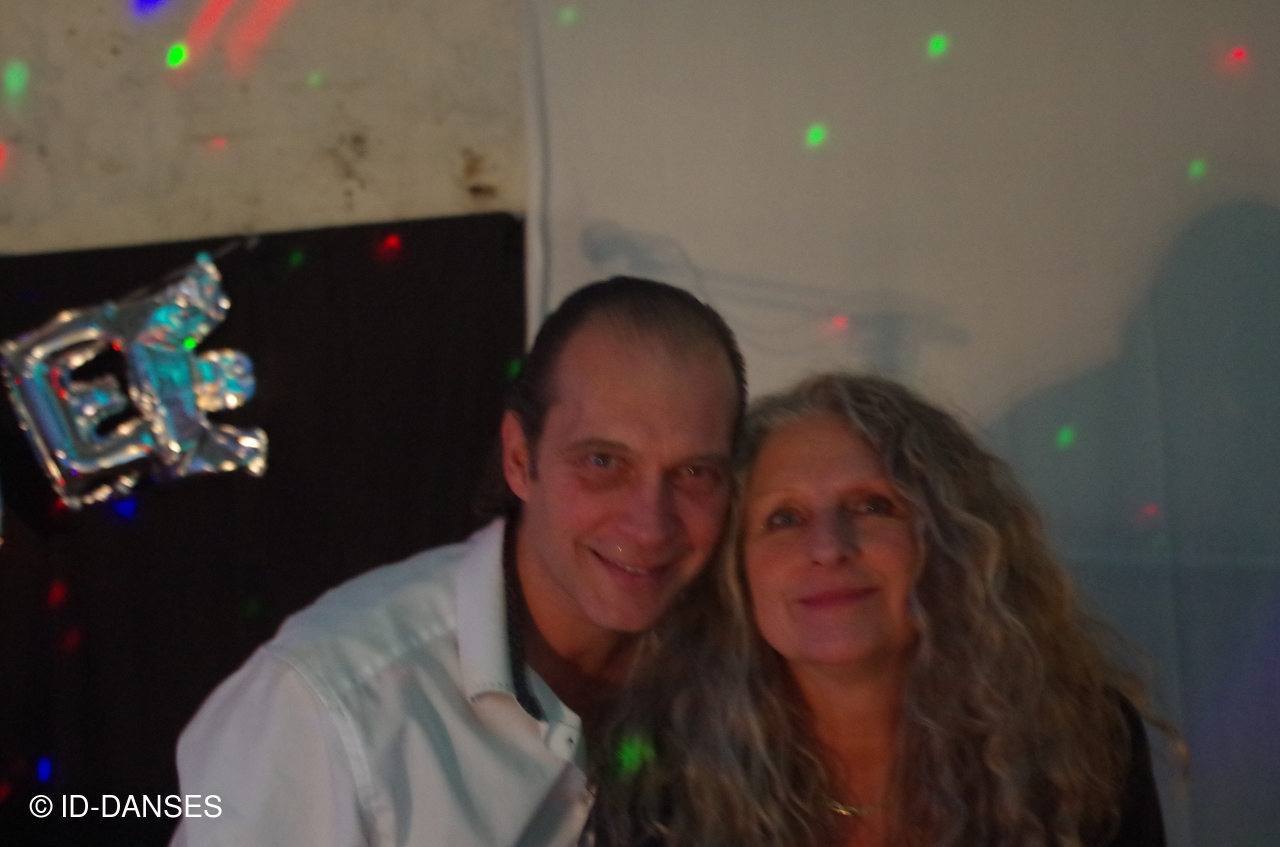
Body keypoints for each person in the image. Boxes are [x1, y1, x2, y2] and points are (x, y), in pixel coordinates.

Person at [169, 277, 745, 847]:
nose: (649, 525)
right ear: (518, 458)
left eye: (695, 473)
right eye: (602, 462)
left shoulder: (738, 669)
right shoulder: (327, 704)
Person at [588, 373, 1171, 847]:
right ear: (734, 571)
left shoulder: (1076, 745)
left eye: (871, 506)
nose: (828, 547)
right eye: (784, 519)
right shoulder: (660, 778)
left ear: (949, 545)